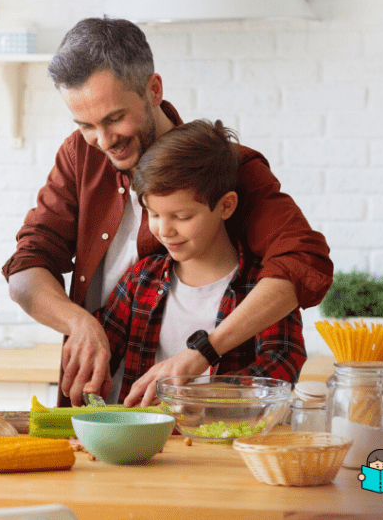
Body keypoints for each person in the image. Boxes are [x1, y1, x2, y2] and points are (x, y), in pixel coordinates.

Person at [2, 17, 333, 407]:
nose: (103, 141)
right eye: (85, 125)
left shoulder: (225, 167)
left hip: (208, 421)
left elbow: (303, 261)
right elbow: (26, 268)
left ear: (153, 89)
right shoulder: (80, 154)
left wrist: (203, 355)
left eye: (114, 118)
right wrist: (79, 323)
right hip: (109, 411)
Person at [97, 119, 307, 405]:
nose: (164, 230)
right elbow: (101, 352)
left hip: (226, 444)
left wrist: (197, 397)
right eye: (154, 215)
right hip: (143, 445)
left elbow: (281, 365)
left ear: (226, 206)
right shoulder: (139, 280)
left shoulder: (263, 288)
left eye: (182, 217)